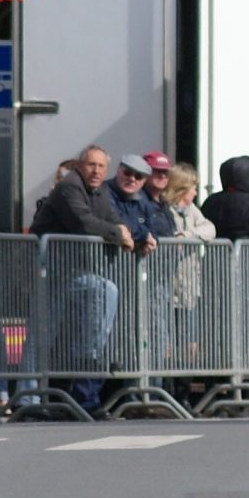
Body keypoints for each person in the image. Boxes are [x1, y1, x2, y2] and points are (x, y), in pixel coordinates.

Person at [29, 145, 134, 411]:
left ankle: (85, 366)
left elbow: (114, 219)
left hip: (73, 273)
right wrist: (117, 233)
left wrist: (126, 231)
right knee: (42, 336)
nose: (96, 171)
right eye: (91, 165)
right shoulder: (70, 186)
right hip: (48, 271)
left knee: (100, 296)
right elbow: (83, 222)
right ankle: (29, 400)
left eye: (101, 166)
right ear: (79, 165)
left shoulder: (99, 191)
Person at [161, 162, 215, 400]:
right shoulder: (165, 209)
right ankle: (166, 394)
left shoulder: (192, 210)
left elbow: (209, 228)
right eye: (193, 187)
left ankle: (182, 394)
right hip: (169, 287)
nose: (196, 192)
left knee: (188, 344)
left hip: (189, 289)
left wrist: (188, 235)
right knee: (167, 345)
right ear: (181, 187)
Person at [106, 154, 162, 255]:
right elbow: (118, 222)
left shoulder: (143, 201)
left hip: (131, 266)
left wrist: (150, 243)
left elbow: (153, 231)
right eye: (127, 173)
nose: (132, 179)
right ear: (118, 171)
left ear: (144, 181)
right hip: (105, 261)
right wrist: (144, 235)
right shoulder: (104, 192)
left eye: (138, 176)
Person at [142, 151, 178, 241]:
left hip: (169, 254)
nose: (162, 176)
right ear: (145, 172)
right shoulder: (137, 201)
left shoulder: (165, 203)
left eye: (165, 172)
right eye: (157, 171)